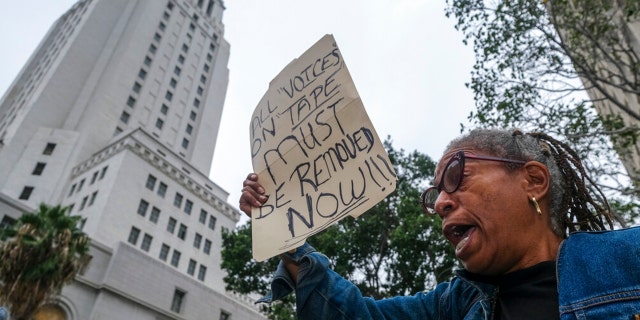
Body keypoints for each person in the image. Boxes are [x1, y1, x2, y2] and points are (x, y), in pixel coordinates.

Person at [239, 128, 640, 319]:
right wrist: (284, 231)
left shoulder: (628, 260)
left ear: (533, 181)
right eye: (435, 196)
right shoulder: (451, 306)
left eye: (456, 176)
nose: (442, 203)